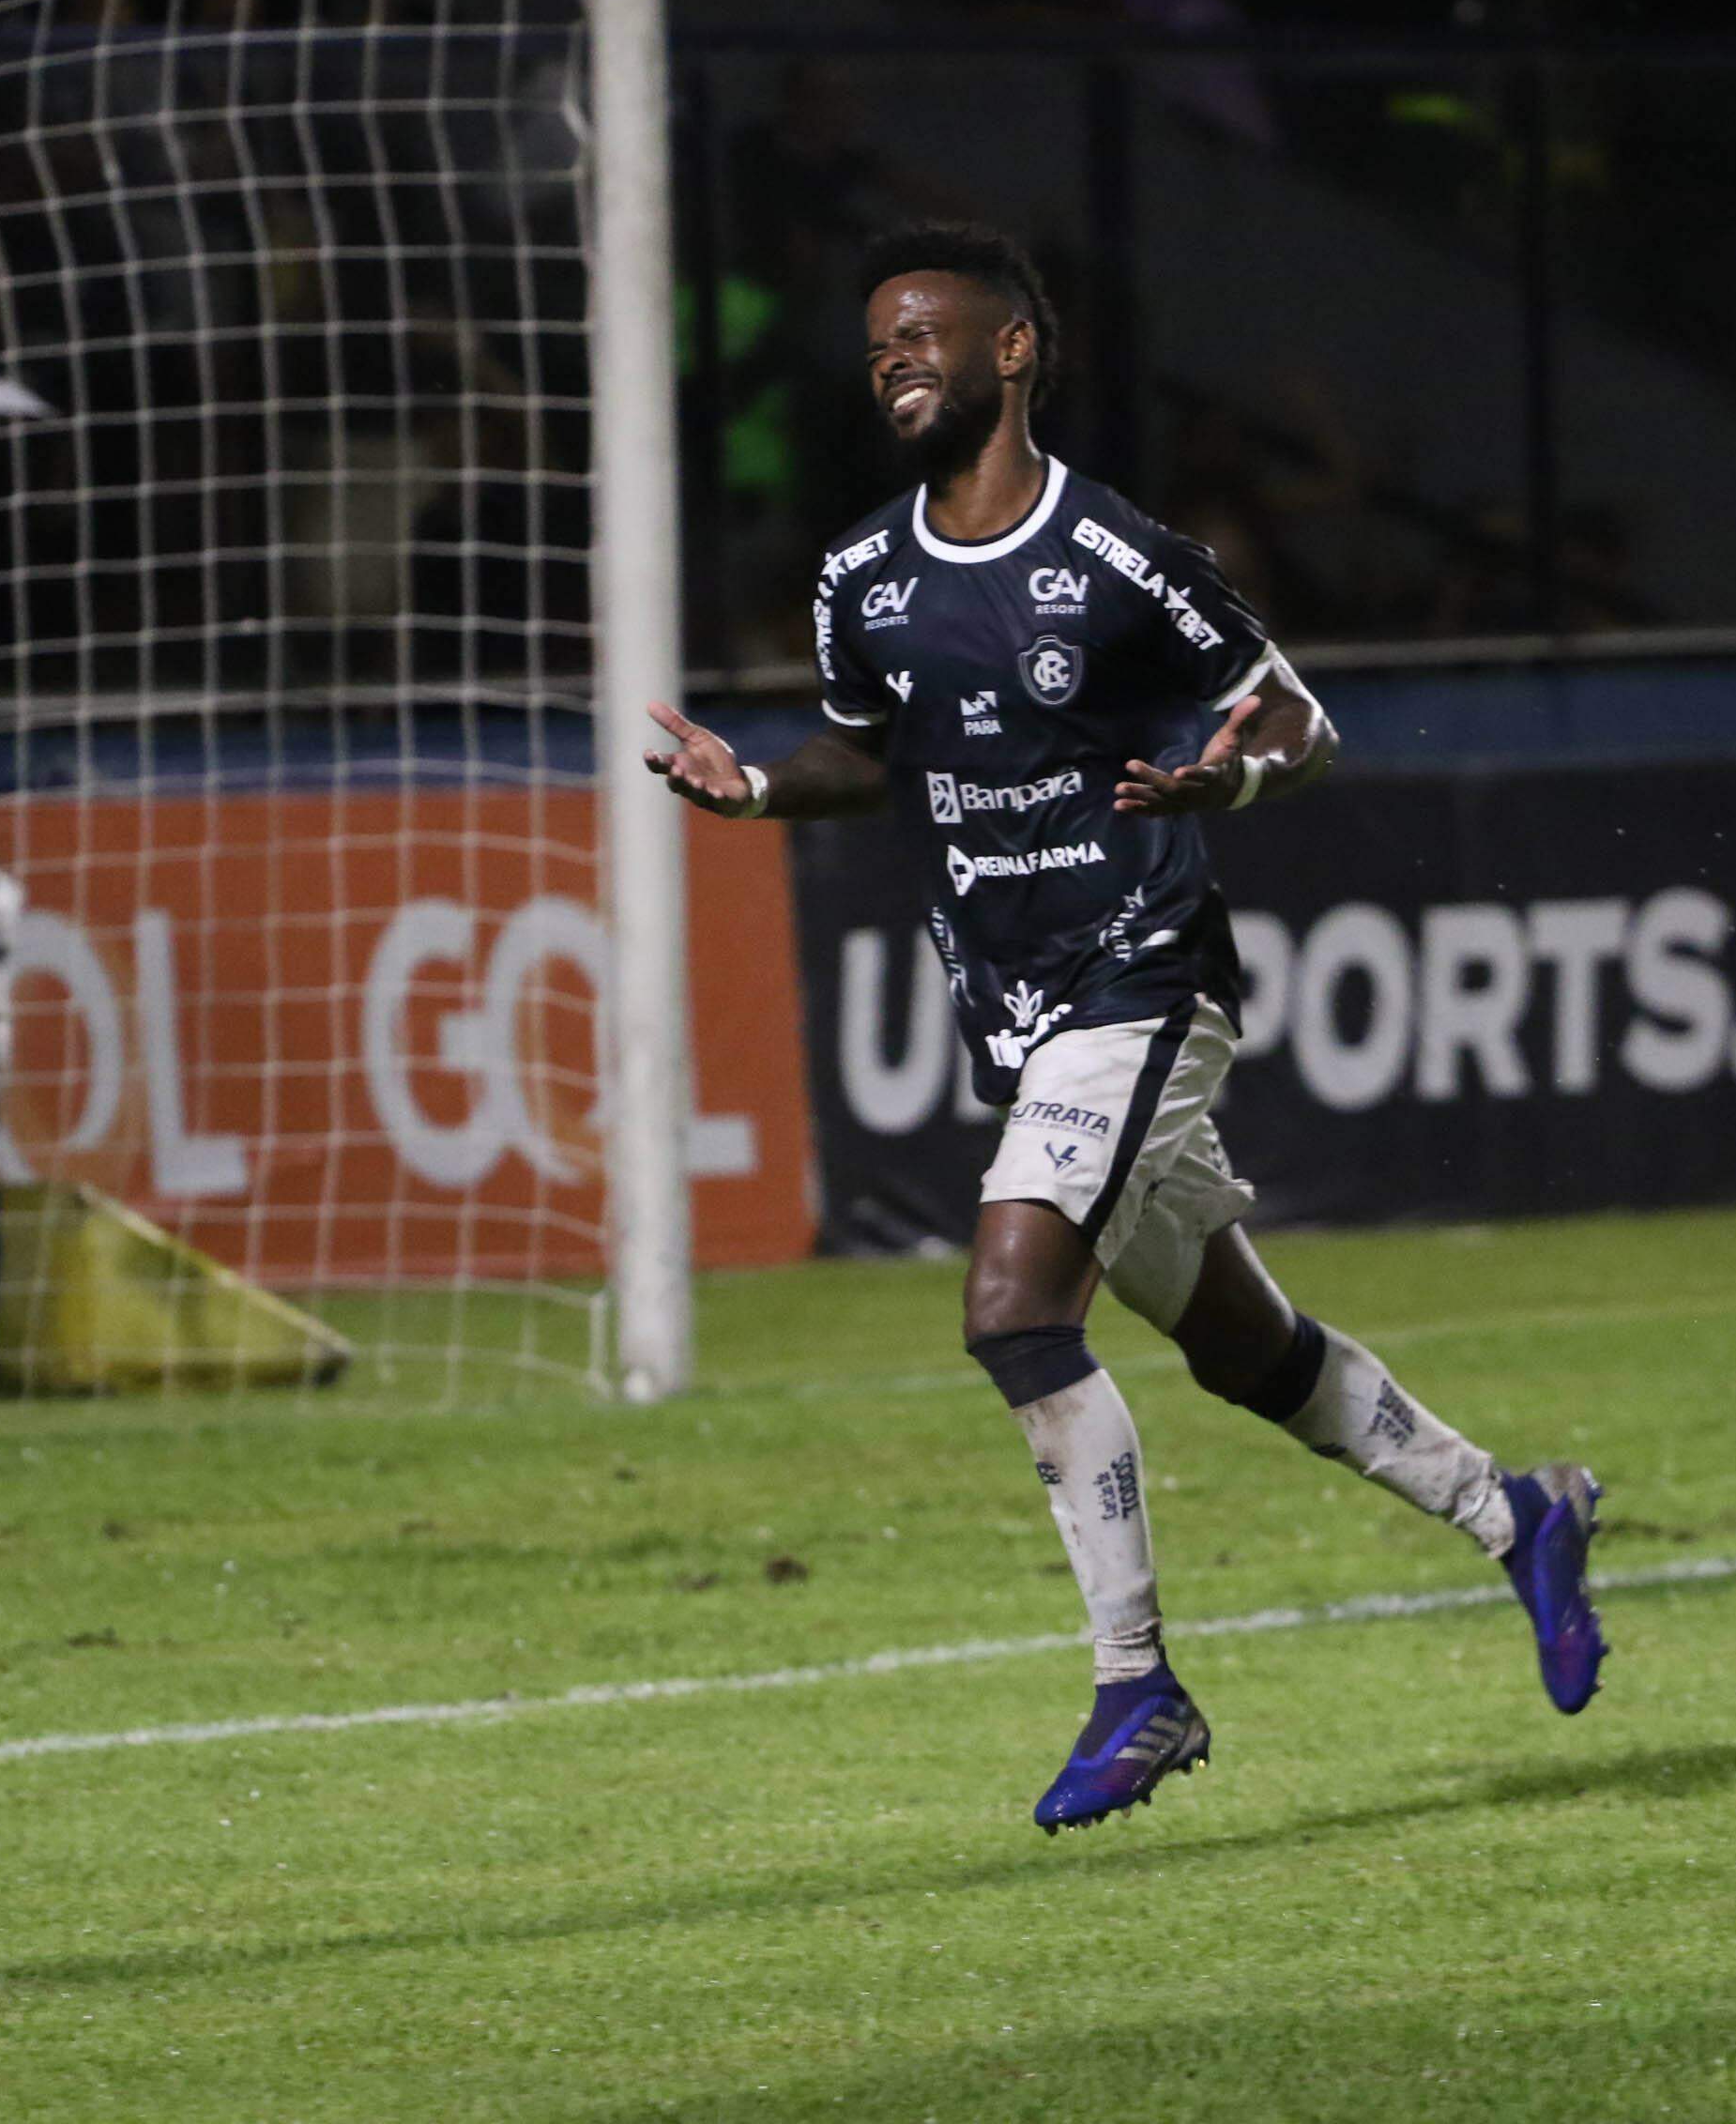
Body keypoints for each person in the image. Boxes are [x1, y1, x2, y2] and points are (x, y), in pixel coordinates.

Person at [647, 222, 1606, 1833]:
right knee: (1247, 1352)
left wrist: (1224, 773)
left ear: (1013, 351)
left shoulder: (1117, 556)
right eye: (875, 341)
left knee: (1016, 1308)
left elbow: (1297, 718)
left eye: (922, 335)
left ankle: (1135, 1682)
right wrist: (750, 787)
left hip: (1143, 976)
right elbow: (860, 750)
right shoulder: (861, 577)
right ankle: (1520, 1516)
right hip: (1015, 1011)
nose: (891, 359)